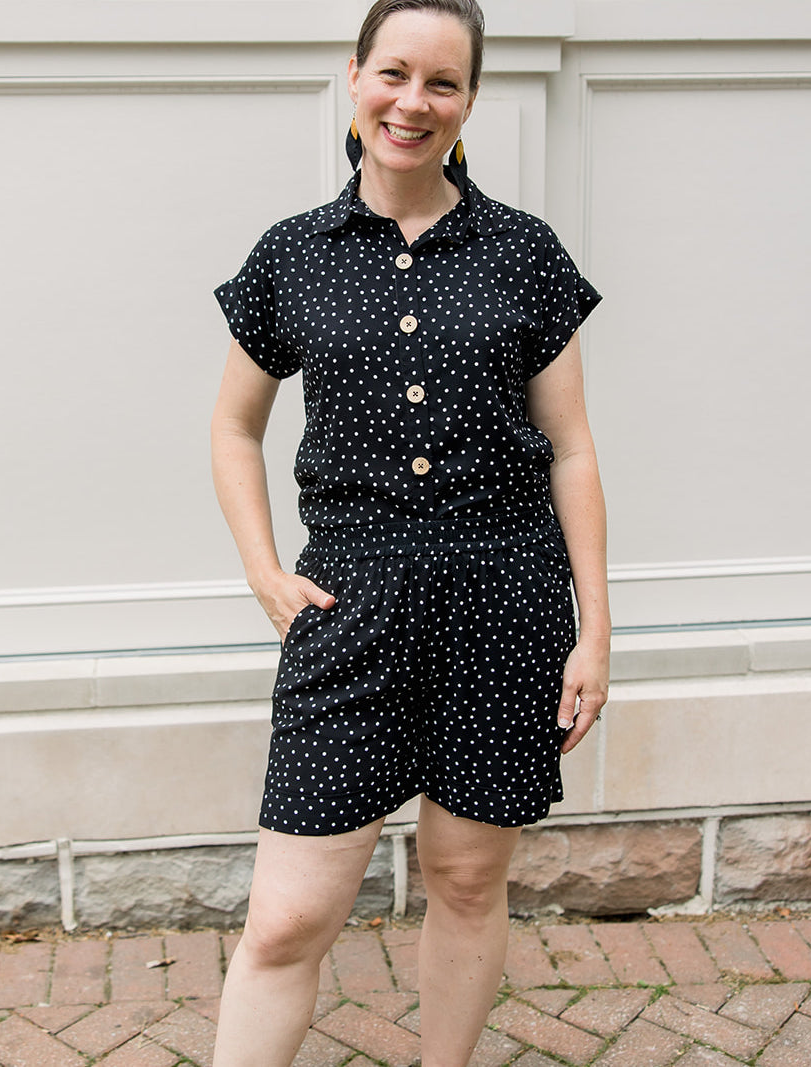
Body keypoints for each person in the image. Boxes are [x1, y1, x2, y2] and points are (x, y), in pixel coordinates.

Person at [209, 0, 609, 1062]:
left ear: (468, 101)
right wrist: (263, 572)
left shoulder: (523, 252)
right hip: (350, 614)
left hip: (502, 605)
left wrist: (594, 629)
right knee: (288, 916)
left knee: (468, 878)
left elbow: (569, 448)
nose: (412, 101)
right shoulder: (291, 254)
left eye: (441, 82)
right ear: (354, 78)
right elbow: (232, 426)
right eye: (394, 74)